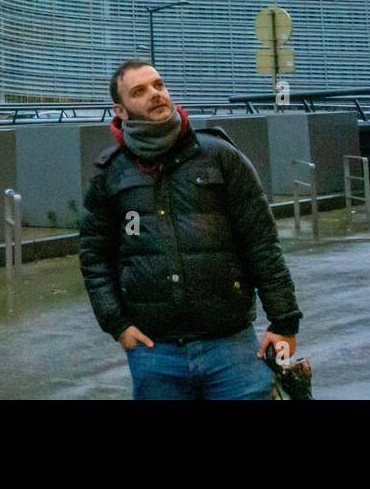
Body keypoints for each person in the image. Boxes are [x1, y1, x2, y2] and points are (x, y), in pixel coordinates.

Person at [79, 59, 302, 399]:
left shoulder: (219, 157)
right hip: (155, 353)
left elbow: (261, 243)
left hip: (231, 346)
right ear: (120, 110)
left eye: (158, 84)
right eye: (140, 91)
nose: (155, 94)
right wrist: (118, 325)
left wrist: (284, 321)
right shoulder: (111, 176)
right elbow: (95, 257)